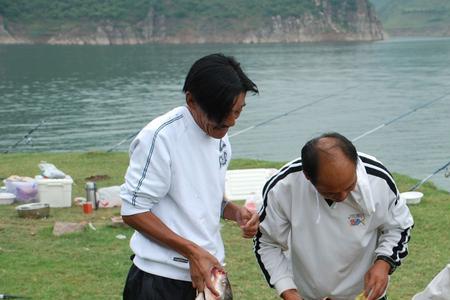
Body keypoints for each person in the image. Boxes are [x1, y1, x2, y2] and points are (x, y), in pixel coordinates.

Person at [120, 53, 259, 300]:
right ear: (191, 101)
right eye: (221, 116)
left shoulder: (220, 136)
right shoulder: (160, 137)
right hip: (161, 280)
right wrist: (192, 253)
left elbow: (203, 198)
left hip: (210, 273)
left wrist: (234, 212)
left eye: (237, 112)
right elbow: (133, 211)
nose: (230, 122)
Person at [254, 132, 414, 300]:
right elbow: (267, 243)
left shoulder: (378, 179)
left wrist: (384, 262)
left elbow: (399, 227)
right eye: (331, 192)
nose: (343, 196)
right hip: (307, 295)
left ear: (355, 164)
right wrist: (288, 290)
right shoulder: (283, 187)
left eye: (350, 185)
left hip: (365, 295)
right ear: (308, 177)